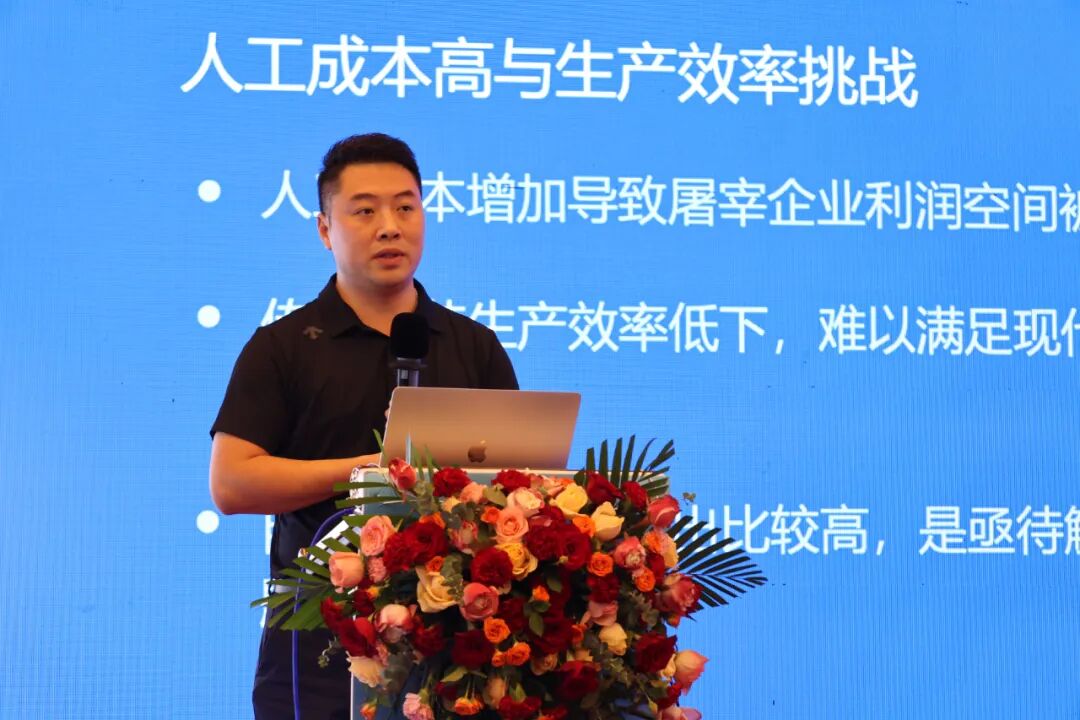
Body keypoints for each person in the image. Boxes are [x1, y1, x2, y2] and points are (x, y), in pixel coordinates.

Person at [209, 133, 518, 719]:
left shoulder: (473, 347)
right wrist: (371, 473)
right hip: (319, 646)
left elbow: (520, 483)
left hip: (459, 651)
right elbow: (232, 483)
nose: (390, 227)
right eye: (365, 211)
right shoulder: (282, 348)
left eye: (405, 207)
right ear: (325, 230)